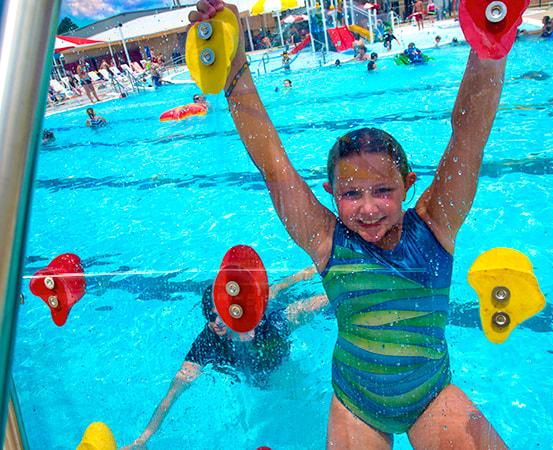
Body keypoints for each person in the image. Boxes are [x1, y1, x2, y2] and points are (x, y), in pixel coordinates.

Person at [190, 0, 512, 448]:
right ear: (330, 193)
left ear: (408, 185)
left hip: (431, 397)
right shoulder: (328, 241)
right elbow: (274, 165)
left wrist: (491, 37)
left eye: (383, 190)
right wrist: (233, 68)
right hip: (356, 405)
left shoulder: (436, 226)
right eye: (350, 194)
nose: (367, 209)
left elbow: (470, 134)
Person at [122, 266, 328, 449]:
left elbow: (281, 294)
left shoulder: (269, 321)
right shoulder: (207, 343)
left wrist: (304, 276)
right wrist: (144, 437)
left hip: (282, 369)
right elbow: (174, 391)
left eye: (221, 313)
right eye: (211, 316)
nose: (218, 321)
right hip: (251, 383)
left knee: (306, 407)